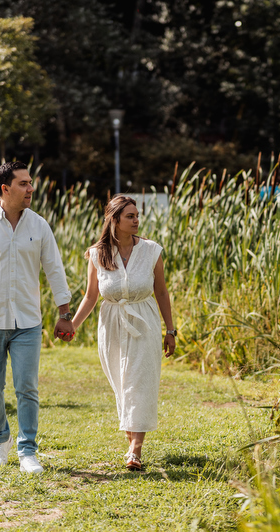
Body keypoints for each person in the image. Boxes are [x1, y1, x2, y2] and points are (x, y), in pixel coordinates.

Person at [0, 161, 75, 474]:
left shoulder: (39, 226)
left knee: (27, 389)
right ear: (4, 189)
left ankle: (27, 451)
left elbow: (55, 270)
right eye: (23, 183)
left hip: (28, 323)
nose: (31, 188)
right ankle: (0, 438)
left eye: (30, 182)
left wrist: (65, 314)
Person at [71, 195, 176, 471]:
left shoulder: (151, 250)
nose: (136, 220)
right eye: (130, 216)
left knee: (140, 382)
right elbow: (90, 297)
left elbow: (161, 291)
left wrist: (170, 329)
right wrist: (73, 325)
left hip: (145, 323)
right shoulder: (97, 254)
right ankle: (132, 441)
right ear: (115, 220)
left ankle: (135, 450)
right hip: (112, 324)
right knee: (123, 384)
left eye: (137, 215)